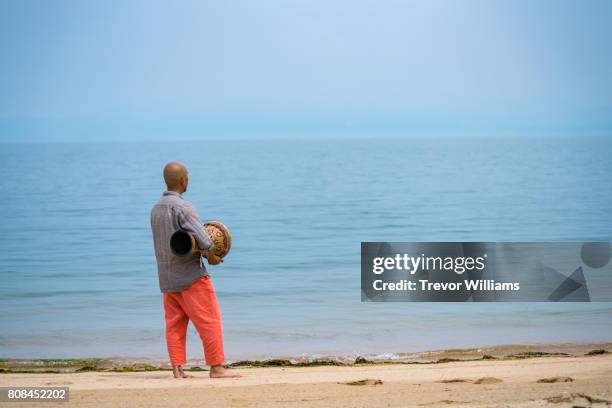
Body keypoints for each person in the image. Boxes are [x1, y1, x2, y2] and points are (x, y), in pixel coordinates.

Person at [150, 162, 240, 379]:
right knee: (210, 321)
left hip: (167, 278)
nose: (188, 178)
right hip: (190, 276)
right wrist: (213, 257)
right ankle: (216, 368)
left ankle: (177, 369)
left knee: (174, 325)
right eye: (187, 175)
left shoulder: (156, 209)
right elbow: (206, 240)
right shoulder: (183, 207)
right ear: (183, 180)